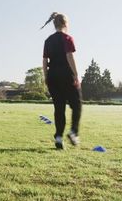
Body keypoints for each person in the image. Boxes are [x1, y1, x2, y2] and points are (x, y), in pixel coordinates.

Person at [41, 12, 82, 149]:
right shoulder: (67, 38)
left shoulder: (48, 40)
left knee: (59, 108)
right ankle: (73, 132)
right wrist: (76, 75)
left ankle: (59, 138)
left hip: (52, 76)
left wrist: (46, 77)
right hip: (66, 75)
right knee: (76, 105)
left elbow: (45, 61)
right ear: (65, 24)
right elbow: (69, 56)